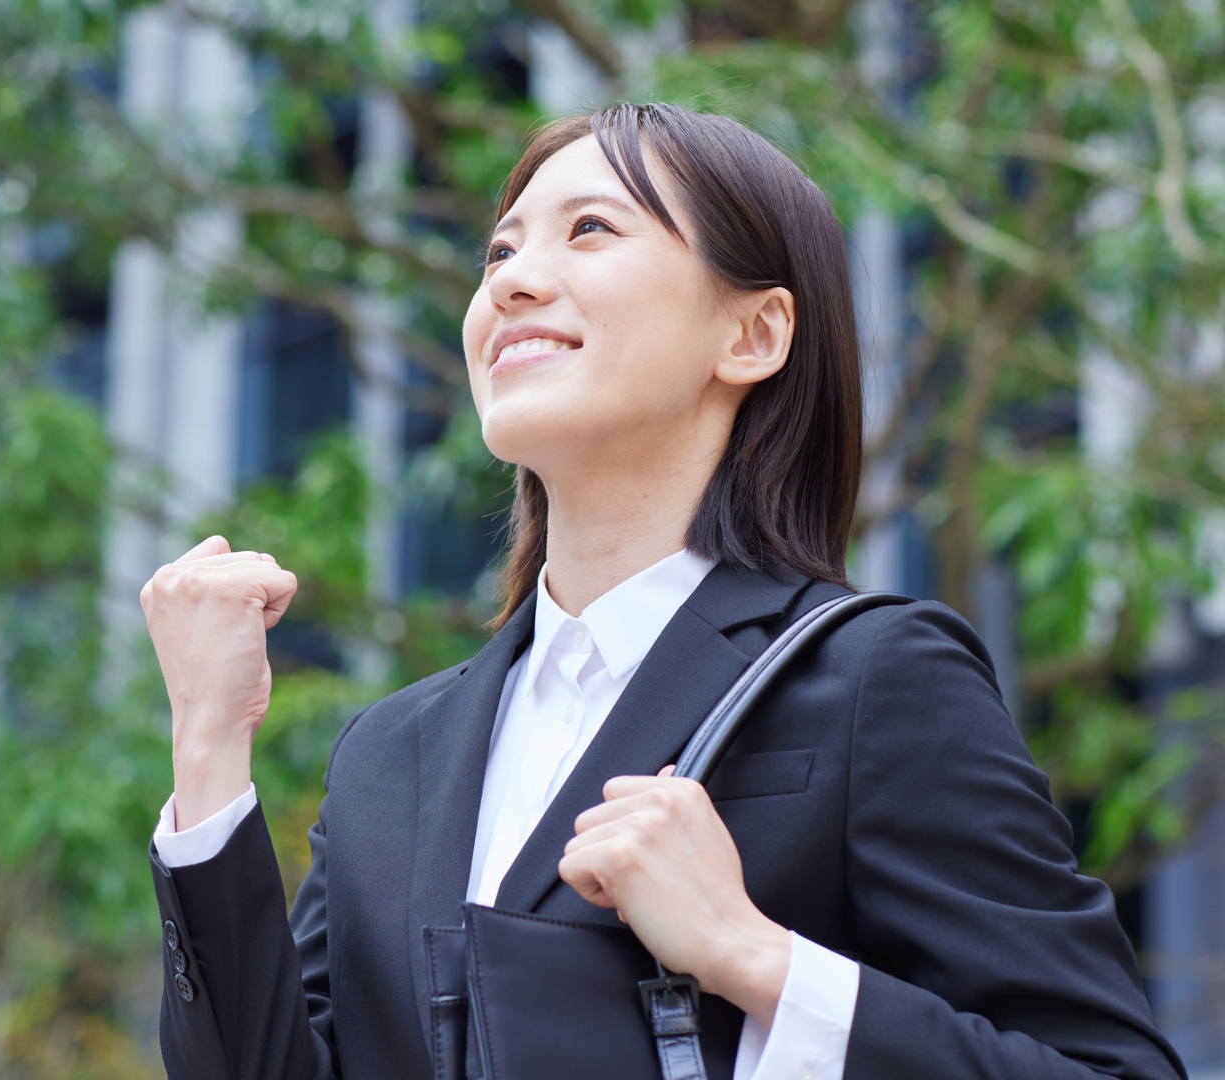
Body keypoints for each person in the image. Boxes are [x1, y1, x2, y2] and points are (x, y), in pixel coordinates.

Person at [137, 102, 1184, 1080]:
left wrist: (756, 958)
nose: (510, 280)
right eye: (499, 251)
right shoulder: (390, 754)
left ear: (753, 336)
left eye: (590, 229)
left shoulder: (871, 679)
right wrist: (209, 748)